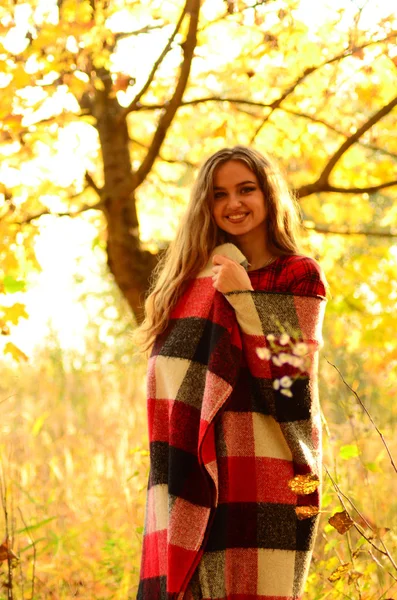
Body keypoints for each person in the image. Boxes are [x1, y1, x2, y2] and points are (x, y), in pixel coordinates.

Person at [136, 146, 327, 600]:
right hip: (193, 469)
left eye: (246, 189)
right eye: (219, 194)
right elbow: (166, 378)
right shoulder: (192, 282)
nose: (234, 204)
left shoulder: (299, 275)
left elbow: (289, 383)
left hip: (271, 466)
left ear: (269, 194)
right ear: (206, 205)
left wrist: (244, 300)